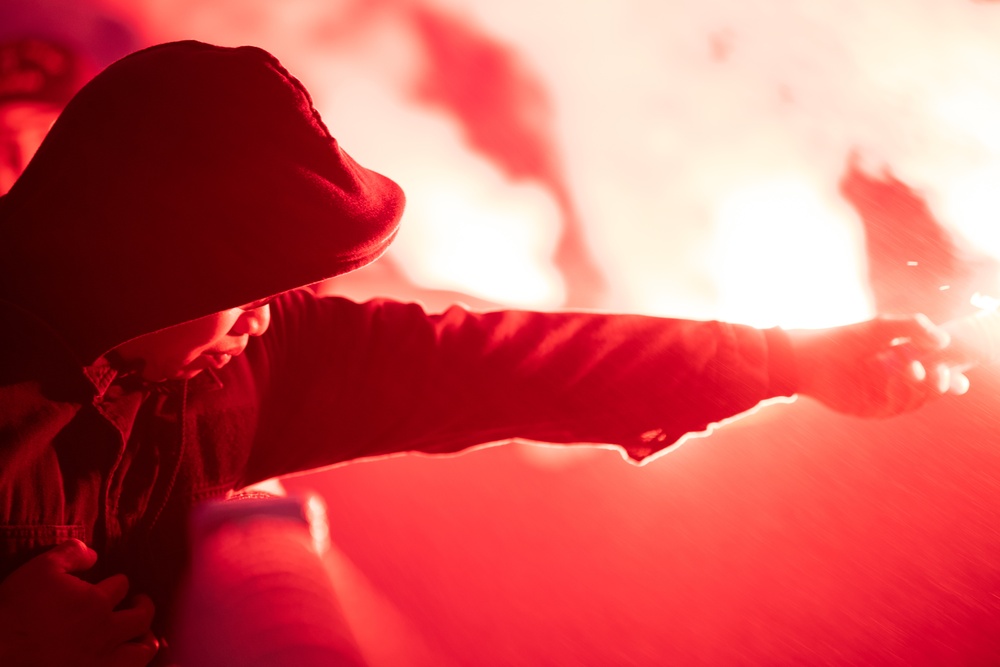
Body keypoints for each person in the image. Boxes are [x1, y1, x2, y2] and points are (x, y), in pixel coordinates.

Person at [0, 40, 970, 666]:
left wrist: (786, 361)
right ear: (157, 264)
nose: (268, 314)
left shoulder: (230, 368)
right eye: (243, 288)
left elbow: (489, 358)